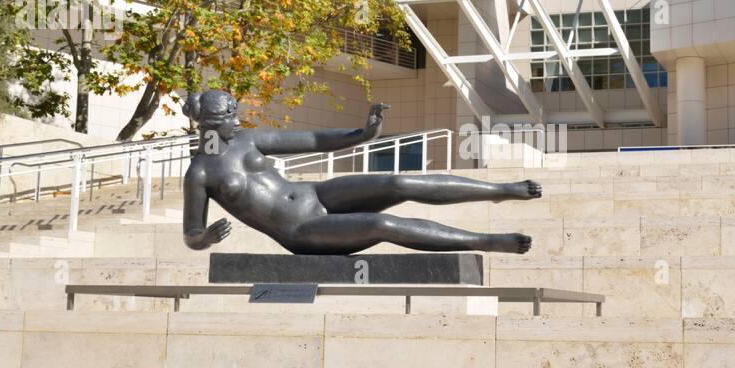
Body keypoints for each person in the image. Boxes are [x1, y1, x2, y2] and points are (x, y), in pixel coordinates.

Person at [181, 90, 538, 255]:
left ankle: (500, 189)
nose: (237, 120)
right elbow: (191, 233)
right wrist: (204, 238)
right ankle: (487, 242)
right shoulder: (199, 173)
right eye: (228, 117)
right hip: (300, 230)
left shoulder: (248, 139)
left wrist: (362, 134)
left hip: (317, 195)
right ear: (208, 124)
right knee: (380, 225)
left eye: (234, 113)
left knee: (397, 182)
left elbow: (313, 139)